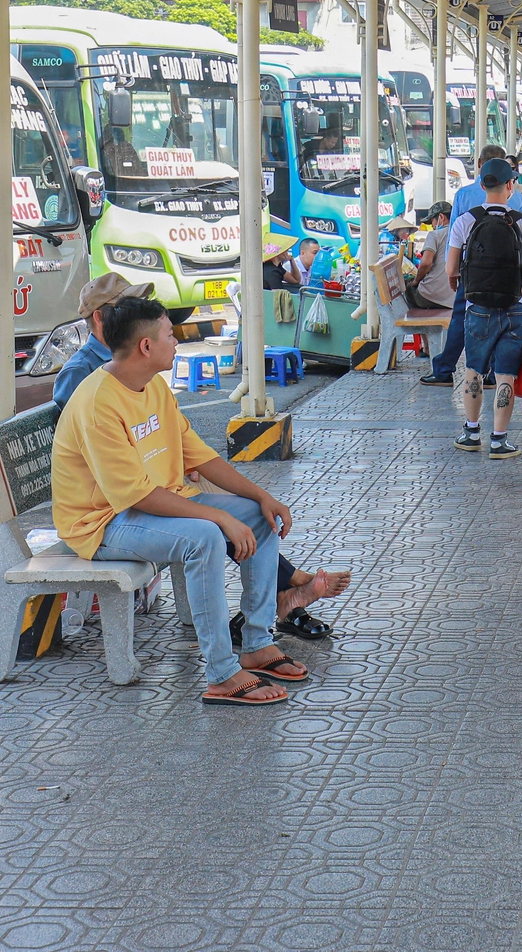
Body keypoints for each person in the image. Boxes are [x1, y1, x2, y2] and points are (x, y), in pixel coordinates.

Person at [52, 295, 350, 706]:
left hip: (151, 505)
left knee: (257, 518)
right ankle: (222, 673)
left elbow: (200, 455)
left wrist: (262, 496)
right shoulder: (97, 403)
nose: (175, 343)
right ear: (146, 347)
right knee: (205, 537)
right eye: (169, 336)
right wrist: (217, 518)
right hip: (103, 524)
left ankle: (256, 642)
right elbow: (134, 494)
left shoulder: (152, 385)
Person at [446, 158, 522, 459]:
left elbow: (451, 269)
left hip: (478, 306)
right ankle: (499, 439)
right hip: (516, 306)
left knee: (473, 369)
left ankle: (471, 432)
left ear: (482, 184)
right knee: (506, 375)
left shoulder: (465, 221)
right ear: (511, 186)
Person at [421, 145, 507, 386]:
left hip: (472, 269)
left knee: (461, 318)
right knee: (499, 317)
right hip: (506, 273)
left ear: (480, 164)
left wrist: (453, 270)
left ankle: (445, 369)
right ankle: (492, 371)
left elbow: (454, 238)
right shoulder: (516, 197)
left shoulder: (464, 195)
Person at [53, 272, 155, 407]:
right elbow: (76, 424)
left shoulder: (135, 353)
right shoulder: (78, 371)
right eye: (126, 309)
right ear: (99, 317)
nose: (137, 316)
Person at [406, 202, 455, 311]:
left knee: (409, 291)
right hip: (454, 299)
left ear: (441, 217)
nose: (432, 226)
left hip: (430, 296)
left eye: (432, 221)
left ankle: (417, 326)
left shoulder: (435, 235)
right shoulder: (461, 233)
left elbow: (425, 264)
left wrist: (415, 281)